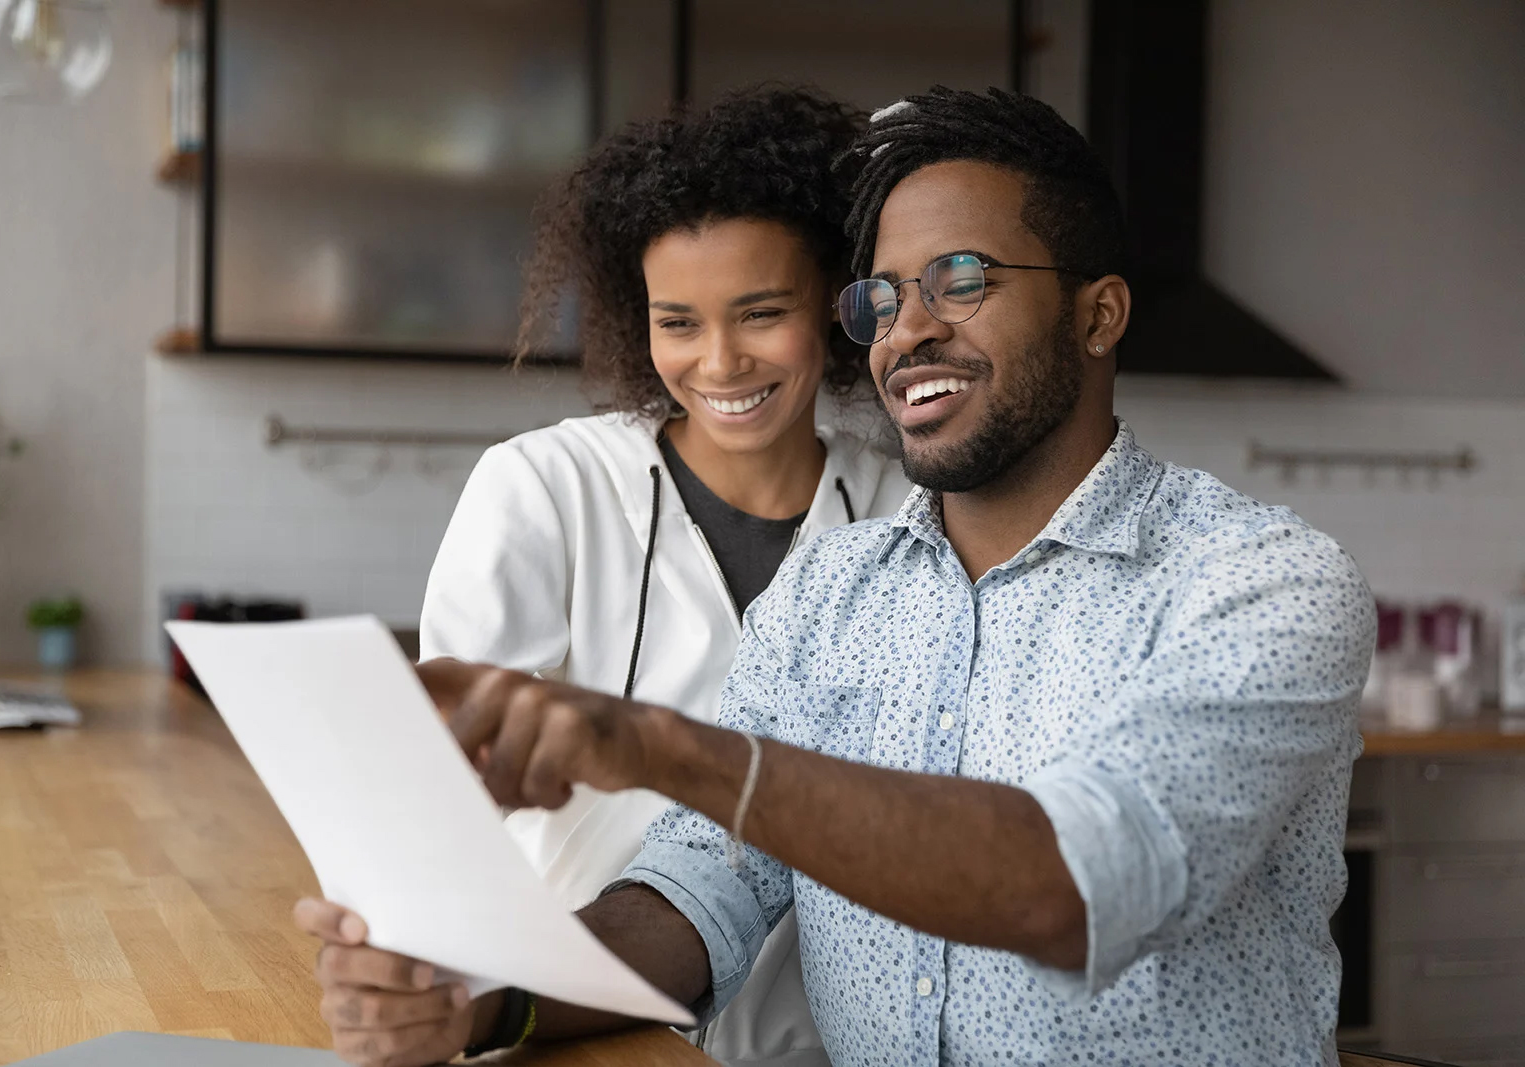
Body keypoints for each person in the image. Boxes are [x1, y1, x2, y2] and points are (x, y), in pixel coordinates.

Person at [297, 87, 1376, 1067]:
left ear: (1098, 313)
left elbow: (1084, 881)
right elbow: (703, 889)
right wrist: (483, 998)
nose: (908, 331)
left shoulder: (1258, 582)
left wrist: (664, 746)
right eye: (882, 298)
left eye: (962, 279)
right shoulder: (829, 591)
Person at [410, 86, 911, 1066]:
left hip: (817, 1048)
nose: (719, 360)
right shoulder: (544, 487)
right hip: (567, 1030)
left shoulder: (907, 518)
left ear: (833, 304)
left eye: (761, 313)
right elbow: (446, 789)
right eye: (676, 321)